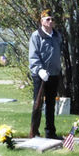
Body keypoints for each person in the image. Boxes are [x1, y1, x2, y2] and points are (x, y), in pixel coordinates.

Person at [28, 9, 62, 139]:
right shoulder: (36, 36)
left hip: (53, 74)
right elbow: (33, 55)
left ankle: (50, 131)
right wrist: (39, 70)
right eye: (48, 19)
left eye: (52, 19)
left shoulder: (57, 35)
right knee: (38, 104)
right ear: (41, 21)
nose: (50, 21)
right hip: (40, 75)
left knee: (51, 105)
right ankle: (34, 132)